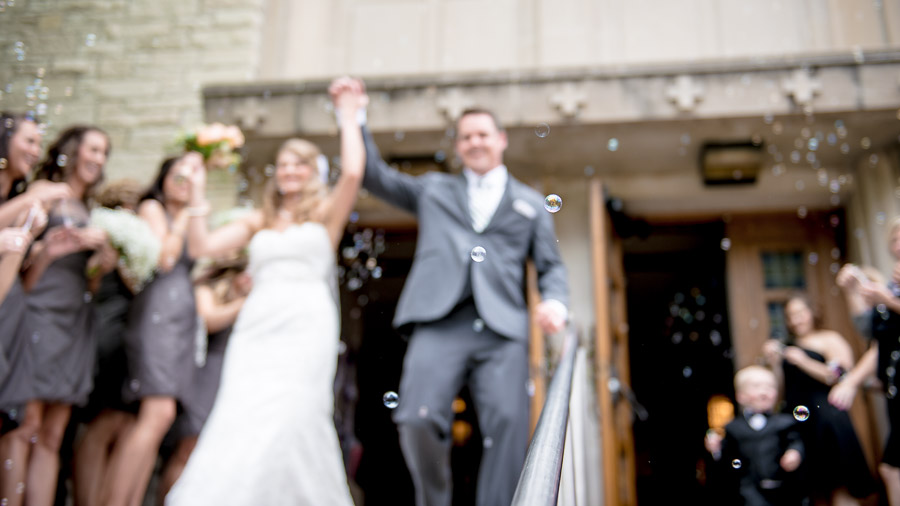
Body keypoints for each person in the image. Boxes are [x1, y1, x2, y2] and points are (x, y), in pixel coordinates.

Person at [330, 77, 570, 506]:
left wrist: (554, 302)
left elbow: (551, 267)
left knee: (510, 426)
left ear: (500, 140)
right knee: (415, 418)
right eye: (466, 137)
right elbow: (373, 174)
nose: (475, 142)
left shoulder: (530, 204)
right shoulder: (435, 190)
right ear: (458, 147)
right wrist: (354, 115)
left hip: (502, 329)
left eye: (482, 134)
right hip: (439, 321)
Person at [165, 83, 367, 505]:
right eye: (283, 165)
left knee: (295, 411)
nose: (290, 172)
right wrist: (199, 192)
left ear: (313, 171)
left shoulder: (326, 215)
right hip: (258, 325)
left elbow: (352, 172)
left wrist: (347, 114)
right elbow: (202, 246)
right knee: (244, 407)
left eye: (299, 164)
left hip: (307, 323)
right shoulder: (258, 220)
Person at [3, 125, 116, 506]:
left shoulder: (93, 209)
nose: (98, 160)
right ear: (72, 151)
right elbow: (19, 268)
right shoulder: (45, 192)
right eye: (93, 149)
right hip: (40, 314)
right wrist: (49, 252)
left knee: (52, 434)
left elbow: (92, 286)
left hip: (76, 321)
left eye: (104, 153)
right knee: (27, 425)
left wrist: (102, 262)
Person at [100, 153, 204, 506]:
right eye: (178, 175)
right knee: (156, 413)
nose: (184, 182)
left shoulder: (187, 218)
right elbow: (165, 259)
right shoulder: (152, 210)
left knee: (161, 417)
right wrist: (185, 217)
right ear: (162, 178)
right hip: (157, 316)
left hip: (181, 321)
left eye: (191, 177)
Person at [71, 179, 144, 506]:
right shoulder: (101, 231)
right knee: (102, 421)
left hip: (135, 335)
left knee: (126, 421)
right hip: (108, 329)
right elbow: (90, 282)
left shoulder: (143, 239)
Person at [763, 296, 877, 505]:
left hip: (827, 419)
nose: (795, 320)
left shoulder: (829, 339)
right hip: (798, 422)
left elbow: (841, 374)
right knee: (814, 490)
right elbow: (779, 393)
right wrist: (775, 364)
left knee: (839, 484)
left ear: (812, 312)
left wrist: (803, 361)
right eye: (790, 316)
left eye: (799, 313)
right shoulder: (787, 347)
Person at [156, 255, 251, 502]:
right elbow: (207, 320)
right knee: (188, 447)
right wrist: (243, 303)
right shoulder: (207, 291)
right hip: (206, 375)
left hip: (236, 379)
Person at [833, 224, 900, 505]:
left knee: (891, 468)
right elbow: (872, 335)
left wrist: (887, 299)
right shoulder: (892, 285)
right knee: (892, 468)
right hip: (895, 387)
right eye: (894, 237)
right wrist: (852, 291)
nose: (897, 242)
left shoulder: (890, 291)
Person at [704, 365, 805, 505]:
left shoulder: (785, 423)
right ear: (741, 396)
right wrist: (716, 449)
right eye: (757, 387)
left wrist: (795, 453)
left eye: (770, 387)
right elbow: (727, 458)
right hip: (749, 491)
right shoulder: (733, 428)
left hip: (784, 490)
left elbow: (795, 441)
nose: (764, 392)